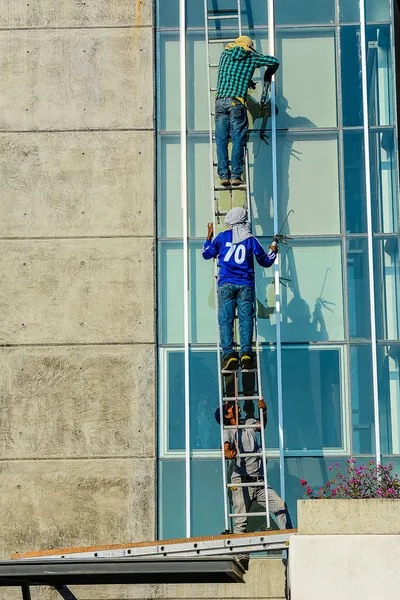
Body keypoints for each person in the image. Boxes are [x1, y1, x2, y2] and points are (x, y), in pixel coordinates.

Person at [215, 399, 293, 568]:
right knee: (241, 520)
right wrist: (228, 452)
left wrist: (264, 411)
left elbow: (261, 426)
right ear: (228, 414)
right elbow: (225, 447)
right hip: (241, 481)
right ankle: (242, 556)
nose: (237, 406)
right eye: (232, 406)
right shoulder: (228, 430)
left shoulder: (248, 423)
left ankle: (290, 549)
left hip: (259, 482)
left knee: (280, 507)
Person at [202, 207, 277, 372]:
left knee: (225, 320)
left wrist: (208, 237)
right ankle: (245, 354)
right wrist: (273, 251)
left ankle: (228, 355)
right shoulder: (251, 240)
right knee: (246, 320)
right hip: (245, 285)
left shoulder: (221, 237)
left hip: (226, 285)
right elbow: (266, 262)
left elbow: (206, 254)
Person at [215, 36, 279, 186]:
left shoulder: (225, 54)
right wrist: (267, 74)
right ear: (249, 47)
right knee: (238, 138)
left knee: (221, 140)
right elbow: (274, 62)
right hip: (236, 102)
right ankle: (236, 175)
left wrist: (247, 80)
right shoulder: (250, 56)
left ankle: (224, 175)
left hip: (219, 102)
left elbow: (233, 72)